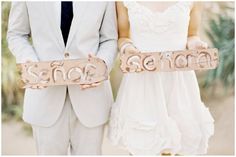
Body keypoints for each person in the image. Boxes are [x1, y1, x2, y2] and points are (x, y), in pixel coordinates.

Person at [7, 1, 117, 155]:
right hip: (45, 99)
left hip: (91, 99)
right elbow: (16, 34)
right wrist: (29, 60)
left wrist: (102, 64)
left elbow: (109, 39)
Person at [108, 2, 214, 155]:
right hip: (142, 83)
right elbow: (123, 36)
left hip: (178, 84)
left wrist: (195, 45)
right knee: (142, 146)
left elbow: (192, 34)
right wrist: (127, 48)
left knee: (179, 147)